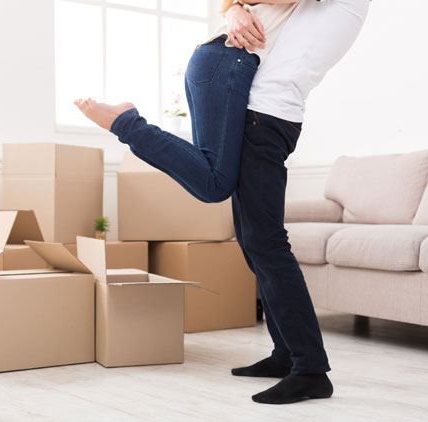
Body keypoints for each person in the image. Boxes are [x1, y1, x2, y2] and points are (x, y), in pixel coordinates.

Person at [76, 0, 370, 405]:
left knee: (263, 241)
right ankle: (288, 355)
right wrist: (233, 9)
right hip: (260, 110)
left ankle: (310, 370)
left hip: (267, 116)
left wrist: (235, 8)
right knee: (255, 243)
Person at [74, 0, 300, 204]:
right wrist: (234, 7)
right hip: (227, 61)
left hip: (218, 63)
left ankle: (127, 124)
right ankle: (127, 124)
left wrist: (234, 7)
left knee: (213, 177)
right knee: (216, 185)